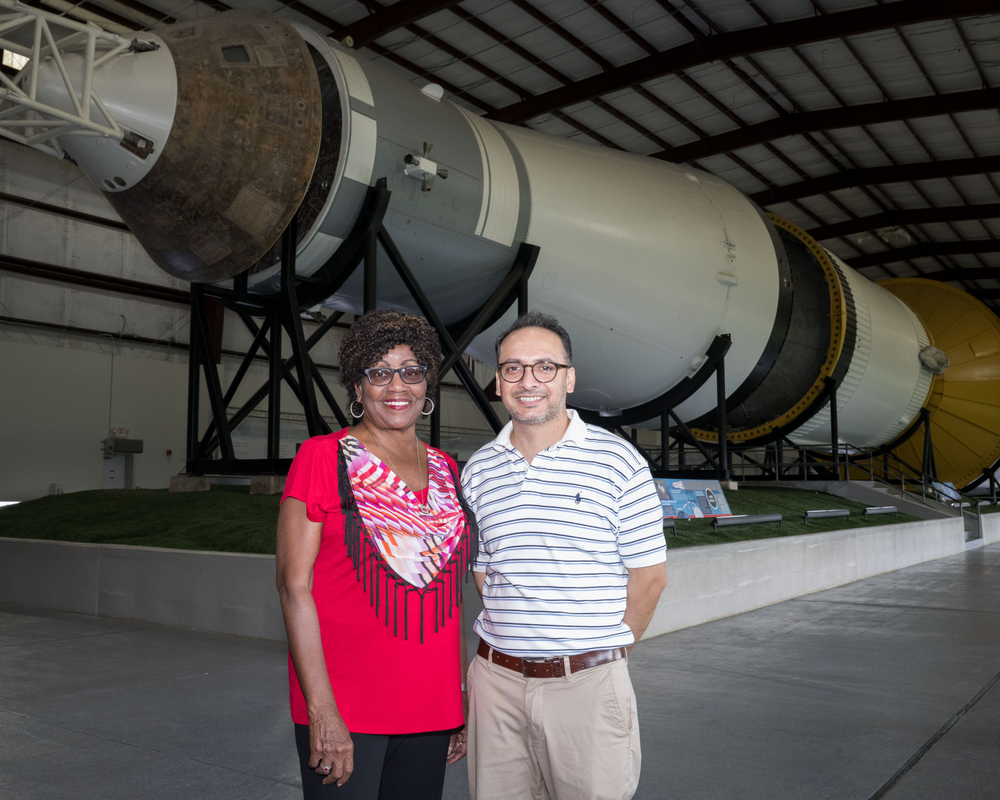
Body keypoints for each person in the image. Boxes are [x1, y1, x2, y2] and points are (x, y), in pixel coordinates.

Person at [461, 311, 668, 800]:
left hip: (587, 686)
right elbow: (485, 570)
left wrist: (597, 657)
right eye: (513, 368)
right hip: (495, 683)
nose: (528, 380)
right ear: (498, 380)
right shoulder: (479, 470)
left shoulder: (617, 461)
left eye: (544, 367)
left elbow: (649, 580)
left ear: (569, 378)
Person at [276, 309, 477, 800]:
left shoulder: (448, 469)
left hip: (431, 707)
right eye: (379, 372)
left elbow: (448, 595)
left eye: (411, 371)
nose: (396, 386)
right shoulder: (323, 458)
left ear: (427, 382)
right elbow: (292, 586)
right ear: (357, 386)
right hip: (346, 708)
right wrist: (322, 711)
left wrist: (458, 702)